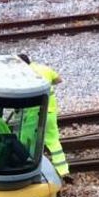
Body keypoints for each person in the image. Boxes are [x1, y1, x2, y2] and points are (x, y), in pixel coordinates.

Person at [18, 53, 70, 182]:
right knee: (54, 142)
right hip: (51, 113)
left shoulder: (24, 73)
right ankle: (63, 171)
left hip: (34, 115)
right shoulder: (43, 69)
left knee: (25, 141)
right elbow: (59, 80)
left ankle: (24, 168)